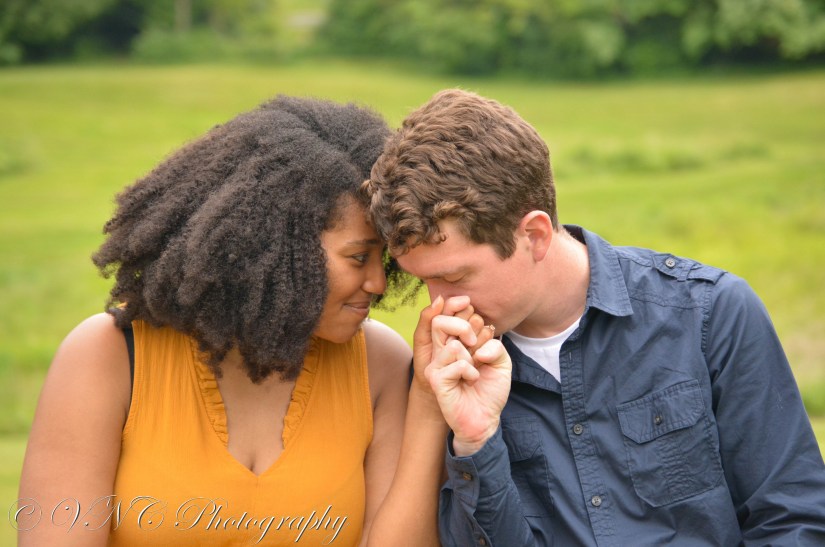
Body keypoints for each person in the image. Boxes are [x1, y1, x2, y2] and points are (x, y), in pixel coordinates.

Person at [16, 95, 494, 546]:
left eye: (382, 259)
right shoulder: (108, 356)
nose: (379, 283)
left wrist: (427, 404)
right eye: (357, 257)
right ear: (278, 248)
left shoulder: (382, 364)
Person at [363, 88, 825, 546]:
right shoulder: (447, 375)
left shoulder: (711, 314)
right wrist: (476, 441)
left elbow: (794, 520)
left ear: (535, 235)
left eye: (455, 276)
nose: (440, 306)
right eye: (425, 283)